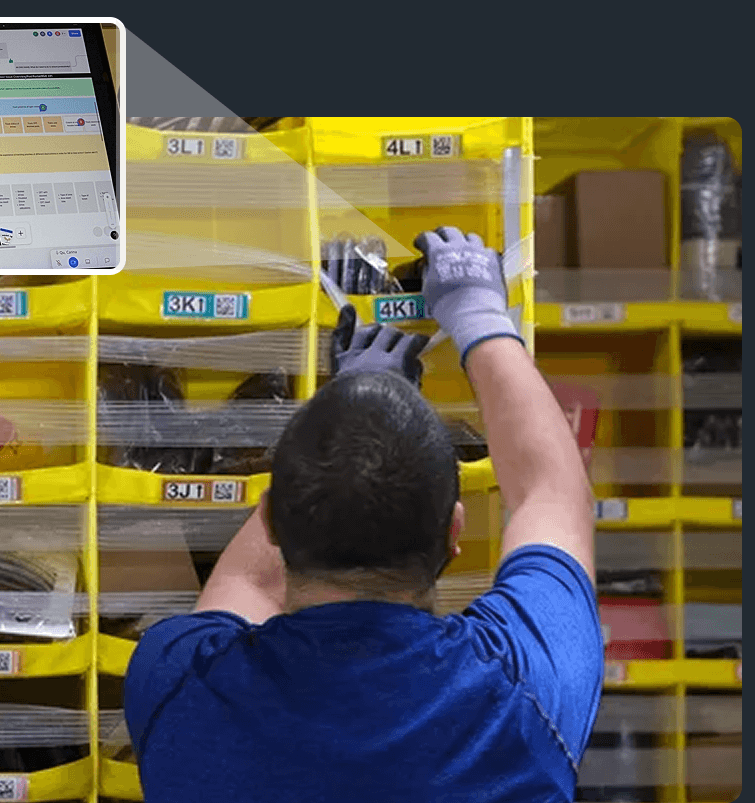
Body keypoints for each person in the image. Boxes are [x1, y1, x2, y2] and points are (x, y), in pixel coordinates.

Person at [123, 227, 604, 802]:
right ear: (454, 531)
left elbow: (247, 583)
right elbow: (552, 494)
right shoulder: (524, 688)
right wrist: (479, 315)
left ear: (270, 520)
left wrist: (350, 411)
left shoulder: (176, 681)